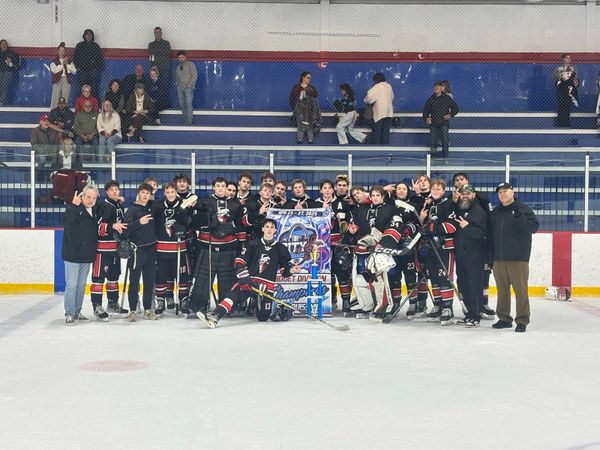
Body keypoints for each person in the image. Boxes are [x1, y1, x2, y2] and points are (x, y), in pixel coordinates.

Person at [196, 219, 300, 328]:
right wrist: (244, 276)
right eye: (267, 227)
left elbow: (284, 271)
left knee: (263, 317)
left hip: (266, 286)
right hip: (250, 281)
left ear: (275, 230)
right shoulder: (253, 244)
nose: (269, 229)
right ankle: (215, 315)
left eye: (271, 227)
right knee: (233, 295)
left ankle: (255, 303)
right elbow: (239, 261)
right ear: (263, 229)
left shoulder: (280, 248)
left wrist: (292, 270)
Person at [187, 177, 248, 314]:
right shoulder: (204, 202)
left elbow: (240, 225)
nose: (220, 188)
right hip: (207, 247)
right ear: (213, 187)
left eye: (223, 186)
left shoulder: (235, 204)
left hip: (229, 247)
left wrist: (241, 245)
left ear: (226, 188)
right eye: (218, 186)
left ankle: (227, 307)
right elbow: (195, 221)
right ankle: (198, 305)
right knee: (203, 278)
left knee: (227, 279)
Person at [490, 182, 539, 333]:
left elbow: (533, 228)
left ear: (512, 192)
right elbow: (490, 235)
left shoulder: (522, 208)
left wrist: (519, 217)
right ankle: (504, 318)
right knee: (502, 290)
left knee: (520, 290)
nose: (503, 194)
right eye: (500, 192)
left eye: (505, 191)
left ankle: (522, 320)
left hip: (518, 258)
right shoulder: (496, 212)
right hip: (499, 259)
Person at [451, 172, 495, 319]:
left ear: (473, 195)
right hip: (461, 255)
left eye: (468, 193)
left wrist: (468, 227)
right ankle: (469, 312)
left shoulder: (479, 211)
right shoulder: (458, 207)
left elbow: (483, 233)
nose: (465, 196)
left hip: (476, 255)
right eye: (463, 194)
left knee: (475, 284)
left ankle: (476, 313)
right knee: (463, 284)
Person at [347, 185, 395, 318]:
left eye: (377, 195)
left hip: (380, 249)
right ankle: (368, 305)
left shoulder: (387, 208)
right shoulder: (361, 209)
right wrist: (353, 232)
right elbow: (357, 228)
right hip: (364, 249)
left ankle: (384, 306)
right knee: (362, 278)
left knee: (379, 278)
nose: (375, 198)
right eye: (373, 195)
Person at [418, 179, 457, 325]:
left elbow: (452, 225)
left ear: (443, 190)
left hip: (445, 247)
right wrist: (422, 220)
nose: (435, 191)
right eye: (433, 189)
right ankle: (438, 305)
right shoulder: (428, 205)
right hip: (430, 247)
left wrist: (434, 228)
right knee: (433, 277)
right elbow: (424, 227)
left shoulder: (449, 204)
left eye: (438, 189)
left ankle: (447, 308)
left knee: (444, 277)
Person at [61, 186, 99, 325]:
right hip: (72, 253)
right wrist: (73, 206)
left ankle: (77, 311)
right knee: (72, 284)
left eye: (94, 198)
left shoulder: (95, 210)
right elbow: (66, 223)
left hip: (86, 254)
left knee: (81, 285)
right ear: (82, 196)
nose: (91, 200)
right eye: (88, 197)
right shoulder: (73, 208)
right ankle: (69, 313)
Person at [91, 180, 128, 320]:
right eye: (111, 190)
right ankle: (97, 306)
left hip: (115, 249)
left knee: (113, 277)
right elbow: (97, 226)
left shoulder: (119, 205)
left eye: (116, 189)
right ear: (106, 192)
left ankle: (112, 303)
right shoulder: (103, 206)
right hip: (102, 250)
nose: (114, 192)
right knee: (98, 278)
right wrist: (112, 226)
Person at [154, 182, 193, 315]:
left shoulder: (183, 204)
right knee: (161, 275)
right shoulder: (158, 206)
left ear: (176, 192)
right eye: (168, 192)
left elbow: (189, 222)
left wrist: (183, 225)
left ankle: (183, 300)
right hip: (162, 248)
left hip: (179, 248)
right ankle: (160, 300)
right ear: (164, 193)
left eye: (172, 192)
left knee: (182, 276)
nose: (170, 194)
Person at [123, 183, 160, 322]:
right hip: (137, 251)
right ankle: (132, 310)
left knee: (149, 282)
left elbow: (165, 201)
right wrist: (139, 222)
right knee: (134, 282)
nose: (145, 195)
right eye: (143, 192)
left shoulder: (152, 206)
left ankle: (148, 310)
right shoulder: (131, 210)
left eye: (147, 193)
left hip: (151, 250)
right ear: (138, 193)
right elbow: (125, 229)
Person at [423, 81, 459, 157]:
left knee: (445, 142)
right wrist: (426, 118)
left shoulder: (447, 98)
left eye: (438, 86)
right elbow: (425, 111)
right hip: (433, 124)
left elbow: (456, 108)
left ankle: (445, 159)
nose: (436, 88)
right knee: (433, 143)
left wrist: (450, 115)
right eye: (435, 86)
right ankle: (433, 159)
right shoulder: (430, 99)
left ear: (441, 88)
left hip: (444, 124)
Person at [290, 72, 321, 144]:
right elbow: (292, 98)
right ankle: (300, 140)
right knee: (300, 124)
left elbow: (315, 97)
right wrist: (296, 107)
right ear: (303, 78)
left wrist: (307, 95)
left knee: (310, 125)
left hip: (309, 111)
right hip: (299, 110)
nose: (309, 79)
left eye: (310, 78)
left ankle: (310, 140)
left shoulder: (312, 88)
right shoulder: (296, 87)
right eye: (308, 77)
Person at [364, 72, 394, 145]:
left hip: (379, 113)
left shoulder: (377, 87)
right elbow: (392, 97)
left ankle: (376, 148)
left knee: (377, 133)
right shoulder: (389, 86)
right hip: (389, 113)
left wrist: (365, 100)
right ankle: (385, 148)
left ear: (376, 80)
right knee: (385, 133)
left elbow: (369, 98)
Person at [73, 29, 103, 97]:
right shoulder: (79, 45)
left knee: (93, 88)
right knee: (83, 88)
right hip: (82, 71)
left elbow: (100, 59)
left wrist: (95, 69)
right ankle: (82, 102)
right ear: (84, 36)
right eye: (87, 34)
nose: (89, 36)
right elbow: (75, 58)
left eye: (90, 35)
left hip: (92, 71)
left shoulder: (96, 46)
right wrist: (78, 68)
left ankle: (93, 102)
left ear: (92, 36)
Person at [50, 42, 77, 108]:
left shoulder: (69, 61)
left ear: (65, 52)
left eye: (63, 50)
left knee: (65, 97)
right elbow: (54, 70)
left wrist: (67, 64)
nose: (62, 52)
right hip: (57, 80)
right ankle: (53, 112)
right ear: (58, 51)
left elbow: (74, 71)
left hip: (66, 80)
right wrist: (62, 64)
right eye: (60, 50)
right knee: (55, 97)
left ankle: (64, 112)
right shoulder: (54, 61)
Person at [176, 51, 197, 126]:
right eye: (179, 58)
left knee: (188, 103)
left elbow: (194, 75)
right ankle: (185, 119)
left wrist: (190, 85)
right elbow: (177, 78)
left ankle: (189, 120)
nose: (181, 59)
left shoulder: (191, 64)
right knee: (182, 103)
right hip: (180, 87)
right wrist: (178, 85)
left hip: (188, 87)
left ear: (185, 57)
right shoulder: (178, 67)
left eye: (182, 57)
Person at [0, 39, 21, 106]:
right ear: (0, 45)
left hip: (8, 72)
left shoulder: (11, 53)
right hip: (1, 72)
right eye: (2, 44)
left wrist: (11, 62)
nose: (4, 45)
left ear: (7, 45)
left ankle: (1, 103)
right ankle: (5, 104)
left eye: (5, 44)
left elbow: (18, 61)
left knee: (4, 87)